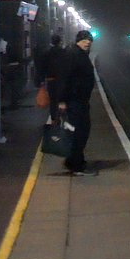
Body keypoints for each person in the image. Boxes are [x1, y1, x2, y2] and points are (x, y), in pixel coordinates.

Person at [52, 30, 95, 174]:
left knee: (79, 131)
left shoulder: (79, 54)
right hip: (74, 100)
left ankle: (75, 161)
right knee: (79, 132)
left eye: (89, 40)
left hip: (79, 100)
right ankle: (76, 165)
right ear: (78, 41)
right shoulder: (73, 55)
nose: (88, 42)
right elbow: (65, 78)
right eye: (84, 40)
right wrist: (62, 100)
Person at [36, 34, 66, 122]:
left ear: (51, 42)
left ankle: (54, 118)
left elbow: (42, 68)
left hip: (51, 81)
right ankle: (62, 116)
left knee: (53, 100)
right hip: (63, 80)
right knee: (62, 99)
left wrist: (41, 80)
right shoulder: (65, 53)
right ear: (60, 42)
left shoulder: (46, 54)